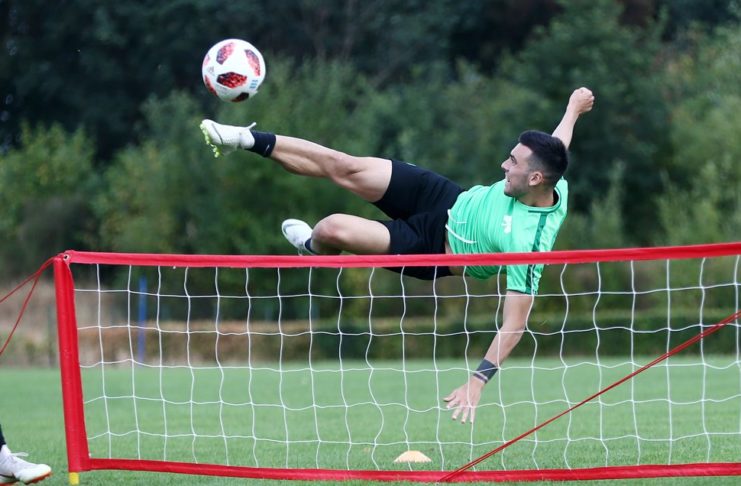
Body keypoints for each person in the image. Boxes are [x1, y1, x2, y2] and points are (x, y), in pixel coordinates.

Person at [200, 87, 595, 424]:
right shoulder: (548, 174)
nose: (503, 165)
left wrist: (477, 381)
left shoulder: (528, 245)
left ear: (535, 179)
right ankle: (244, 139)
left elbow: (515, 324)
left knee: (331, 228)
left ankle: (311, 247)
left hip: (432, 249)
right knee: (346, 166)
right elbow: (557, 145)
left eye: (512, 163)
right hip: (446, 198)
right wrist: (573, 109)